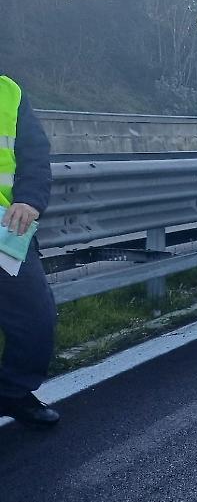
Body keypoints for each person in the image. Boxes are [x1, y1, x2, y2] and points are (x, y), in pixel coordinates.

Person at [0, 74, 59, 428]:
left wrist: (29, 199)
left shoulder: (9, 92)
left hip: (6, 233)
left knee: (37, 319)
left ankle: (13, 392)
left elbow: (34, 157)